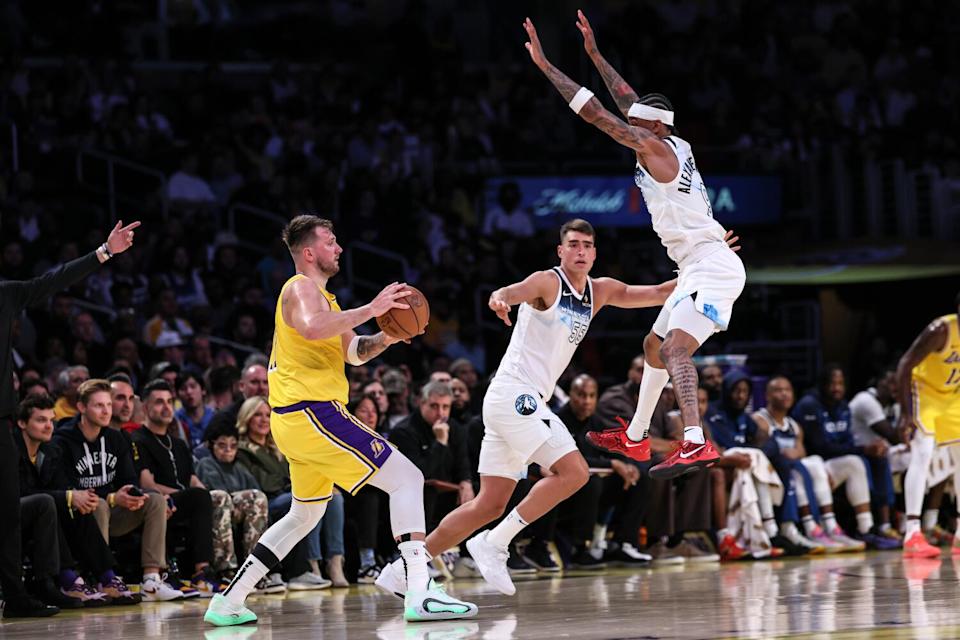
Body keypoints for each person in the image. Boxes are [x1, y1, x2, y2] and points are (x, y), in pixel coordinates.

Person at [375, 218, 676, 598]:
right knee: (575, 472)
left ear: (595, 252)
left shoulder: (600, 291)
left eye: (587, 245)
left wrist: (706, 267)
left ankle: (402, 570)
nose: (580, 251)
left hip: (516, 401)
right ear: (560, 250)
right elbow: (510, 290)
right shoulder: (548, 282)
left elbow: (658, 292)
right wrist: (500, 298)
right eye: (573, 244)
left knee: (489, 503)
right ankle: (495, 544)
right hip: (516, 395)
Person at [204, 215, 477, 626]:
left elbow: (355, 351)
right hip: (313, 411)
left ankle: (230, 601)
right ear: (310, 252)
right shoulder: (299, 289)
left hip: (298, 420)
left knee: (304, 514)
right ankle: (419, 589)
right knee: (407, 477)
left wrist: (389, 335)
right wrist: (373, 307)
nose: (340, 248)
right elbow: (314, 329)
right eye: (331, 242)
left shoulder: (328, 301)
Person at [523, 13, 746, 478]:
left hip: (710, 265)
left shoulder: (654, 146)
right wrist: (596, 55)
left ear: (652, 128)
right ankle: (638, 436)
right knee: (653, 345)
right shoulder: (670, 141)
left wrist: (547, 67)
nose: (632, 123)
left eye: (639, 123)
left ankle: (694, 441)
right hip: (699, 262)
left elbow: (599, 114)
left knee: (676, 349)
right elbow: (628, 102)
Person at [0, 220, 138, 619]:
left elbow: (53, 279)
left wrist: (104, 251)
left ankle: (25, 592)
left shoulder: (6, 294)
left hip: (1, 420)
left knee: (9, 513)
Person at [53, 379, 183, 602]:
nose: (106, 411)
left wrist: (133, 495)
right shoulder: (63, 440)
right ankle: (99, 577)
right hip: (79, 518)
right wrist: (113, 498)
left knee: (155, 500)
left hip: (116, 512)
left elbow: (130, 480)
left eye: (108, 405)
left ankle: (152, 579)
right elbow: (69, 490)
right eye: (99, 405)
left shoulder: (118, 437)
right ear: (82, 407)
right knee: (99, 504)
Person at [896, 292, 960, 558]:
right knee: (922, 453)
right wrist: (906, 413)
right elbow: (904, 365)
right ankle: (912, 532)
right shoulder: (941, 330)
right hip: (924, 393)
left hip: (952, 396)